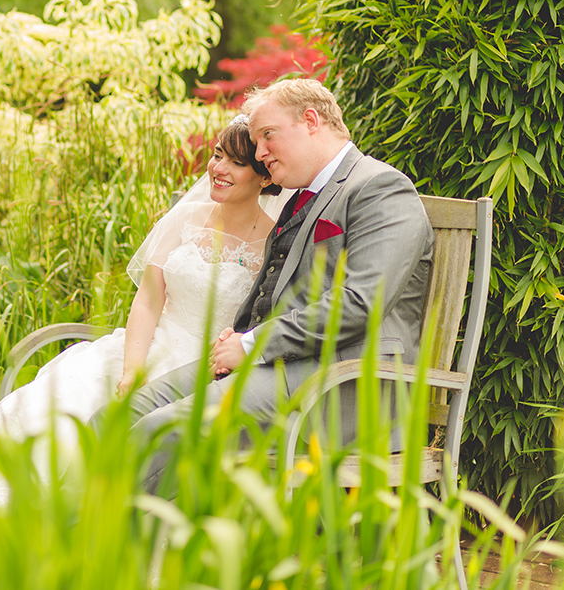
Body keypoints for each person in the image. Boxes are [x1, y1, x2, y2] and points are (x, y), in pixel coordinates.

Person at [0, 117, 288, 504]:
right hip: (147, 343)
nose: (219, 169)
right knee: (62, 403)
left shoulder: (275, 243)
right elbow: (148, 300)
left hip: (205, 368)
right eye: (217, 155)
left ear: (264, 177)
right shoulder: (186, 218)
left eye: (237, 163)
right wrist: (132, 368)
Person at [118, 78, 435, 493]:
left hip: (342, 384)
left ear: (310, 121)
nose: (260, 152)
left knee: (159, 431)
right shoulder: (301, 197)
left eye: (267, 136)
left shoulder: (379, 188)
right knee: (121, 414)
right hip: (282, 367)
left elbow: (359, 303)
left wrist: (252, 345)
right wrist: (242, 335)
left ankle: (108, 551)